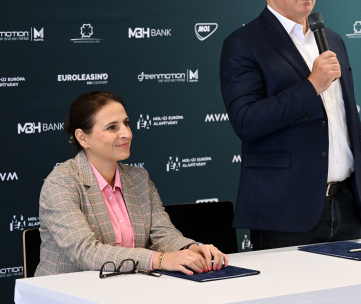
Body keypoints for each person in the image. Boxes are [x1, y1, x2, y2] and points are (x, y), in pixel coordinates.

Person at [219, 0, 361, 250]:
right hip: (285, 213)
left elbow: (350, 122)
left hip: (346, 207)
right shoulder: (244, 43)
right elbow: (246, 120)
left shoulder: (332, 39)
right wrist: (311, 86)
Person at [36, 91, 228, 276]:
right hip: (66, 290)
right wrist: (160, 260)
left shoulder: (139, 178)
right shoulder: (61, 183)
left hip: (127, 288)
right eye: (112, 127)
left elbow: (163, 234)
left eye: (126, 123)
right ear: (82, 138)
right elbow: (86, 252)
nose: (126, 133)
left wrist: (191, 248)